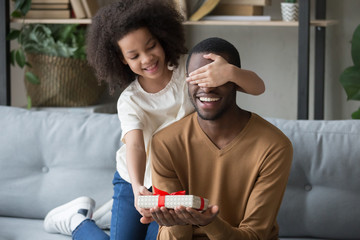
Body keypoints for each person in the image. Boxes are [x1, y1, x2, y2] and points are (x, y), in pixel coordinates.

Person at [43, 1, 265, 239]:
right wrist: (138, 189)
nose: (147, 59)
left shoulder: (189, 70)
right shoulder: (130, 100)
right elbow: (136, 145)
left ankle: (112, 217)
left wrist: (231, 72)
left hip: (173, 183)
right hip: (134, 182)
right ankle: (77, 220)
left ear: (161, 37)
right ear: (121, 59)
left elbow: (258, 88)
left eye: (151, 46)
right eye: (134, 55)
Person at [143, 37, 293, 239]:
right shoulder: (164, 143)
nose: (206, 88)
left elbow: (254, 235)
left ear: (235, 82)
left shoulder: (274, 146)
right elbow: (174, 234)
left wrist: (211, 223)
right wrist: (177, 224)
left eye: (216, 78)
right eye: (197, 78)